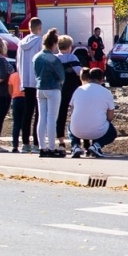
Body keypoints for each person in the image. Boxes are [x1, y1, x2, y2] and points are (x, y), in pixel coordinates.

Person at [68, 68, 118, 157]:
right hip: (98, 131)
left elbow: (72, 110)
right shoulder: (106, 92)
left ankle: (75, 146)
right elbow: (110, 116)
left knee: (70, 125)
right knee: (112, 132)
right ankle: (96, 145)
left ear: (88, 78)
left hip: (77, 130)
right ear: (102, 79)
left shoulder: (79, 89)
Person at [13, 17, 43, 152]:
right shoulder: (40, 41)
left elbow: (18, 62)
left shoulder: (21, 43)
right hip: (37, 80)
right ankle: (37, 143)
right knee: (39, 113)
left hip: (25, 79)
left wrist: (21, 77)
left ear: (29, 28)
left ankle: (25, 143)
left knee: (27, 112)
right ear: (39, 28)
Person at [33, 28, 65, 157]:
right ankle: (51, 147)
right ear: (54, 44)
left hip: (40, 88)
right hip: (53, 88)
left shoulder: (36, 57)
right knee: (52, 118)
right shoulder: (54, 59)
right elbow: (61, 77)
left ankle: (42, 147)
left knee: (42, 118)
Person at [56, 34, 83, 142]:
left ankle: (61, 139)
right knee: (75, 114)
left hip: (59, 88)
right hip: (72, 89)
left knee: (60, 115)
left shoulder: (55, 58)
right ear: (69, 47)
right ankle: (76, 139)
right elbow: (78, 72)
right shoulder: (72, 57)